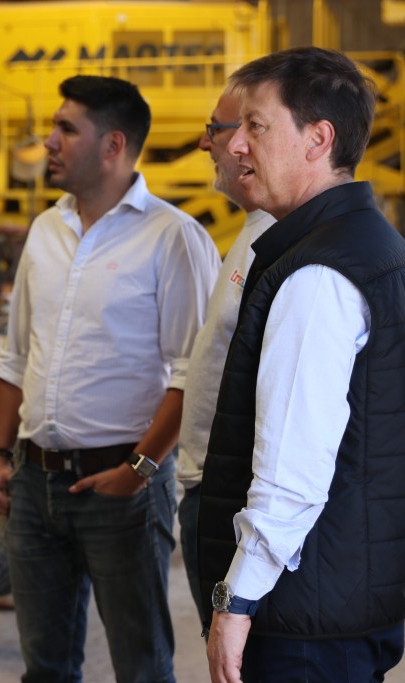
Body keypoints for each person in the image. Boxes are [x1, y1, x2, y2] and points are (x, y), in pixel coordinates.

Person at [197, 47, 405, 683]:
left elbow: (292, 469)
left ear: (319, 139)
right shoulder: (370, 243)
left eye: (256, 126)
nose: (235, 145)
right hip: (347, 595)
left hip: (304, 619)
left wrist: (237, 600)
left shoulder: (317, 274)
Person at [0, 75, 220, 683]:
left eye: (66, 129)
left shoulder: (173, 238)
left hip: (123, 489)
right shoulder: (45, 230)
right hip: (34, 486)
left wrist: (140, 469)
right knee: (46, 668)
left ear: (113, 145)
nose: (48, 141)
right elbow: (16, 356)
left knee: (141, 668)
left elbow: (194, 375)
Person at [176, 88, 276, 633]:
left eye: (214, 129)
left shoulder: (279, 243)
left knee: (240, 658)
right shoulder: (252, 232)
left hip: (236, 498)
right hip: (211, 488)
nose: (205, 143)